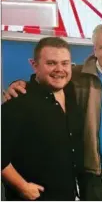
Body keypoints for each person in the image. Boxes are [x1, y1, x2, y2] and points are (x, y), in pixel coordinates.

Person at [2, 24, 102, 200]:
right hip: (94, 174)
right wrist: (18, 84)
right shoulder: (79, 78)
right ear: (94, 49)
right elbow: (48, 81)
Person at [1, 37, 84, 201]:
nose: (59, 69)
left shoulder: (73, 96)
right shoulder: (17, 103)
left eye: (65, 63)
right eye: (51, 63)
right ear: (34, 65)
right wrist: (22, 186)